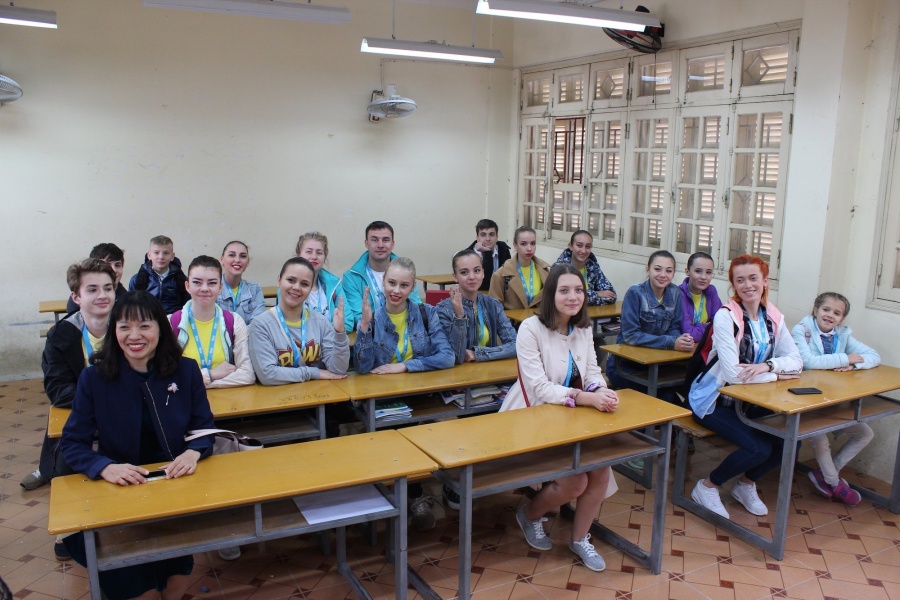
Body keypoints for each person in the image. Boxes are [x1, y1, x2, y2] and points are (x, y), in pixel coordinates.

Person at [60, 291, 216, 600]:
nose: (134, 336)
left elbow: (205, 427)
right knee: (139, 589)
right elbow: (73, 442)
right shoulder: (94, 378)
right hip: (120, 489)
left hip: (172, 486)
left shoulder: (185, 370)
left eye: (144, 326)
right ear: (113, 331)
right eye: (124, 327)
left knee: (175, 582)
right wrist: (104, 467)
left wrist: (193, 452)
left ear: (160, 328)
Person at [500, 264, 620, 572]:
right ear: (551, 294)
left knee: (600, 469)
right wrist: (585, 397)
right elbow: (539, 388)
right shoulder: (530, 328)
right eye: (564, 290)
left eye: (578, 290)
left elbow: (592, 371)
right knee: (574, 479)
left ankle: (580, 539)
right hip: (531, 416)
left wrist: (602, 391)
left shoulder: (583, 328)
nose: (573, 297)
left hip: (571, 418)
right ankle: (529, 514)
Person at [688, 255, 802, 519]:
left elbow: (796, 362)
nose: (747, 285)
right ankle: (707, 486)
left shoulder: (773, 316)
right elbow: (733, 374)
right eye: (740, 280)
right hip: (714, 400)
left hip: (752, 400)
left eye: (753, 278)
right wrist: (777, 376)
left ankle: (745, 483)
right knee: (759, 448)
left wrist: (769, 366)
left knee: (790, 444)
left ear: (765, 281)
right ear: (733, 285)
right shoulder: (725, 316)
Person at [22, 259, 117, 562]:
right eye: (92, 289)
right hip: (82, 414)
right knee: (68, 459)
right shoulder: (62, 334)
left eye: (108, 288)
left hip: (123, 413)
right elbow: (57, 389)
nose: (102, 295)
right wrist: (102, 400)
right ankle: (73, 528)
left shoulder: (128, 325)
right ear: (76, 297)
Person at [355, 257, 454, 531]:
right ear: (383, 283)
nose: (396, 290)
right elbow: (362, 367)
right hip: (384, 399)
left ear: (412, 288)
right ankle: (409, 498)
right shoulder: (373, 317)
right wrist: (364, 327)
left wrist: (404, 366)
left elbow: (446, 356)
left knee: (417, 432)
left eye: (404, 285)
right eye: (391, 283)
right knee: (395, 434)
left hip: (418, 395)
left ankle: (414, 496)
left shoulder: (426, 313)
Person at [792, 292, 880, 507]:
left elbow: (874, 356)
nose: (830, 315)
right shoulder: (801, 330)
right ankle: (834, 483)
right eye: (826, 310)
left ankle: (826, 473)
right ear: (816, 310)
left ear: (842, 318)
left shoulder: (842, 334)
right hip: (804, 400)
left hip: (831, 399)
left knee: (865, 434)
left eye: (837, 313)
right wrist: (844, 358)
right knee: (820, 438)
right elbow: (809, 362)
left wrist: (854, 364)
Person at [249, 257, 349, 385]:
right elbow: (268, 375)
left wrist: (340, 333)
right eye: (291, 280)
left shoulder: (321, 322)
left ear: (310, 289)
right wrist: (314, 373)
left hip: (317, 395)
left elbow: (338, 370)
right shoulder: (261, 325)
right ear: (279, 281)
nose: (296, 287)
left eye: (304, 284)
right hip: (278, 396)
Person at [605, 251, 693, 397]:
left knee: (685, 389)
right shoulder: (635, 293)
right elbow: (631, 335)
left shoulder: (675, 292)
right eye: (657, 269)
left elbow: (674, 327)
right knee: (666, 396)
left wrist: (681, 340)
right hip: (625, 366)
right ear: (648, 270)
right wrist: (671, 342)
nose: (663, 275)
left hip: (657, 365)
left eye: (668, 271)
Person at [171, 255, 255, 389]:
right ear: (187, 286)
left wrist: (198, 382)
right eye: (197, 282)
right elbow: (167, 378)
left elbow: (247, 374)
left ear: (220, 287)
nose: (204, 288)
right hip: (186, 400)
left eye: (212, 283)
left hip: (227, 399)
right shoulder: (170, 323)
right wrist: (210, 375)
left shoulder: (234, 322)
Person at [436, 249, 517, 364]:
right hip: (459, 374)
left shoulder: (493, 304)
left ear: (483, 273)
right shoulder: (444, 309)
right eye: (464, 272)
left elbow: (515, 345)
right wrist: (459, 317)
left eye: (477, 270)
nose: (472, 277)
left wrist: (478, 354)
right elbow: (456, 357)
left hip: (490, 371)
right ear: (455, 277)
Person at [343, 221, 422, 331]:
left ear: (392, 244)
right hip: (372, 334)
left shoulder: (406, 271)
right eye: (374, 240)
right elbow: (359, 317)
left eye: (385, 240)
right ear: (366, 243)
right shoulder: (351, 277)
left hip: (404, 330)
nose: (380, 245)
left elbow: (416, 309)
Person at [489, 226, 551, 309]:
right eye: (523, 244)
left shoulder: (544, 270)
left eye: (533, 243)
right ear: (515, 245)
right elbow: (493, 309)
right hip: (511, 318)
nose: (529, 248)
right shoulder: (500, 275)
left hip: (538, 317)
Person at [128, 235, 190, 314]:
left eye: (166, 253)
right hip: (147, 319)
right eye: (156, 253)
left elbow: (188, 306)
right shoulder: (137, 280)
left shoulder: (181, 280)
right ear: (149, 255)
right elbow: (130, 306)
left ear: (172, 256)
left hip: (173, 320)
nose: (161, 257)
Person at [554, 230, 616, 305]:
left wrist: (584, 298)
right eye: (579, 245)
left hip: (589, 312)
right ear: (571, 246)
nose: (583, 251)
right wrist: (596, 294)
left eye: (588, 247)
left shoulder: (593, 267)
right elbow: (563, 297)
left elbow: (611, 295)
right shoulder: (559, 269)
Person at [296, 231, 346, 321]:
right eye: (309, 252)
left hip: (331, 331)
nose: (314, 257)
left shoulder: (334, 285)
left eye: (319, 253)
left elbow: (347, 320)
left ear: (324, 257)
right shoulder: (289, 285)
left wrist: (327, 329)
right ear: (298, 254)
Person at [65, 243, 127, 313]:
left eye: (117, 265)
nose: (114, 269)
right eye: (92, 290)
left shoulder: (125, 297)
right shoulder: (80, 297)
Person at [217, 240, 266, 325]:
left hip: (249, 334)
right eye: (231, 255)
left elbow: (257, 325)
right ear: (222, 260)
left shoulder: (255, 289)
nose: (237, 260)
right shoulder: (212, 288)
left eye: (243, 256)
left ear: (248, 261)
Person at [678, 251, 722, 341]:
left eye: (708, 272)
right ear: (687, 271)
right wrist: (707, 326)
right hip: (686, 346)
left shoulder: (711, 291)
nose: (703, 277)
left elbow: (721, 325)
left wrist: (697, 328)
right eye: (698, 271)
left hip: (705, 345)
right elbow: (689, 334)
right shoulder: (678, 293)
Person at [465, 218, 511, 291]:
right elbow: (484, 284)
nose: (487, 238)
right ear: (477, 238)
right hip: (477, 292)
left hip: (499, 292)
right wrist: (487, 252)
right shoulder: (467, 255)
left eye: (491, 234)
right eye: (483, 235)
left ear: (497, 237)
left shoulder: (503, 249)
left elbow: (508, 276)